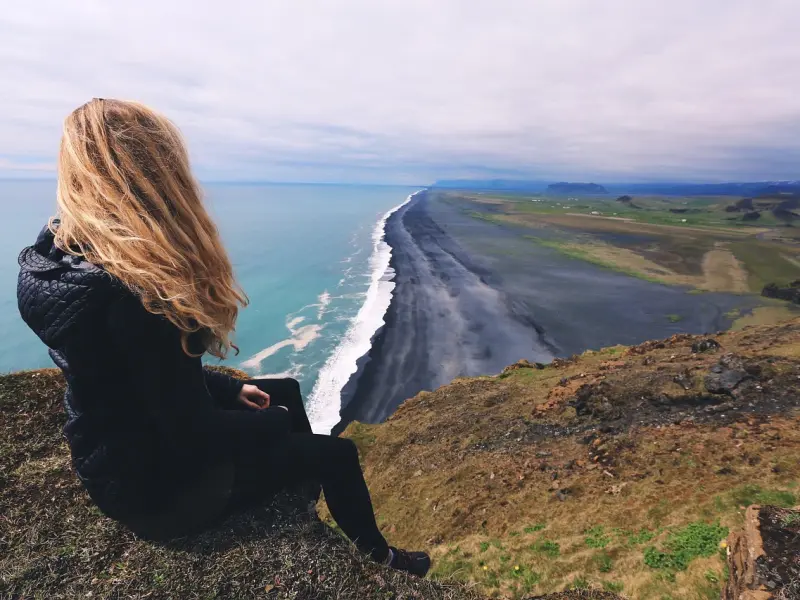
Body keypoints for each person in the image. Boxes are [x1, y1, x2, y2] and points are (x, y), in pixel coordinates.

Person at [16, 98, 430, 577]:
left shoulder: (61, 261)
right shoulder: (136, 293)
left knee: (288, 389)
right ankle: (383, 558)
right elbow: (194, 436)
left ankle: (298, 490)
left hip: (112, 457)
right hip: (162, 493)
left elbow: (137, 374)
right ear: (160, 175)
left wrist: (231, 388)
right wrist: (274, 424)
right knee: (337, 453)